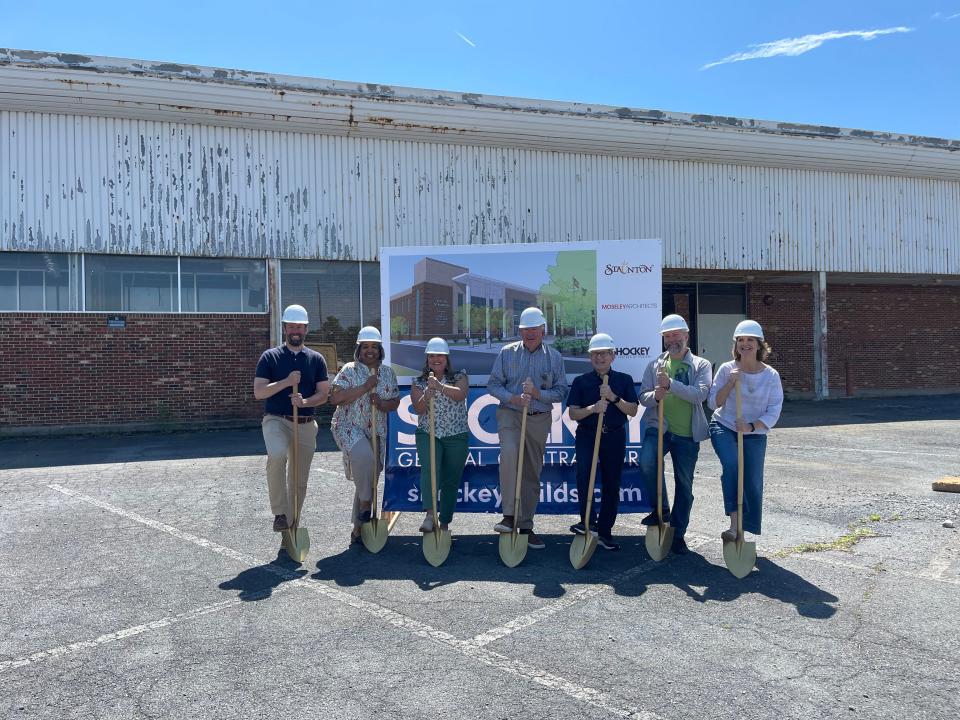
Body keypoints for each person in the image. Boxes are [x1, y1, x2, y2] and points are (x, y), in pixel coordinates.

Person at [487, 306, 568, 550]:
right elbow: (493, 385)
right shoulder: (507, 353)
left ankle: (525, 525)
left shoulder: (554, 357)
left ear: (543, 329)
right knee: (510, 454)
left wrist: (537, 393)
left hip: (538, 417)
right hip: (510, 414)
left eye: (534, 328)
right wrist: (513, 398)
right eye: (525, 329)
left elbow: (561, 391)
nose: (530, 333)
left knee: (532, 470)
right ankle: (509, 516)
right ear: (520, 331)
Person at [638, 314, 713, 555]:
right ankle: (661, 509)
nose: (672, 339)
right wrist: (656, 396)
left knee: (685, 485)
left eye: (675, 334)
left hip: (687, 435)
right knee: (647, 462)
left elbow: (700, 395)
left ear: (686, 335)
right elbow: (644, 397)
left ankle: (678, 533)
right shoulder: (655, 365)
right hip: (658, 428)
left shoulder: (701, 365)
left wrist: (670, 385)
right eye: (667, 336)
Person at [253, 304, 329, 533]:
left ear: (306, 329)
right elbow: (259, 392)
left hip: (305, 424)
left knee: (299, 480)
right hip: (276, 420)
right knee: (276, 455)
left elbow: (324, 394)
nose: (295, 330)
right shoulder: (270, 357)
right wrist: (286, 382)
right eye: (291, 326)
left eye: (299, 326)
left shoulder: (316, 359)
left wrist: (305, 402)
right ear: (285, 328)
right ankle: (279, 513)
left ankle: (291, 524)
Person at [708, 320, 783, 543]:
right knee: (732, 465)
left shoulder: (770, 376)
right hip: (724, 425)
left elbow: (774, 410)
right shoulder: (726, 369)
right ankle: (734, 526)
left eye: (750, 340)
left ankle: (745, 528)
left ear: (759, 344)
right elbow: (713, 403)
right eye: (741, 340)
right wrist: (731, 382)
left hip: (754, 431)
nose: (745, 344)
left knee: (752, 480)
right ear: (736, 345)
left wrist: (751, 426)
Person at [566, 333, 639, 551]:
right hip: (587, 434)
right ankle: (587, 523)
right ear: (590, 357)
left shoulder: (624, 380)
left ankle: (605, 531)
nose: (600, 358)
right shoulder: (581, 382)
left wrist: (614, 398)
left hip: (614, 435)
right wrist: (593, 409)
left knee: (611, 482)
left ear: (612, 356)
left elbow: (633, 410)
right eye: (595, 354)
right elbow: (572, 414)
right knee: (584, 476)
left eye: (604, 354)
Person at [329, 326, 400, 543]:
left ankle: (359, 529)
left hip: (377, 431)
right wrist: (365, 386)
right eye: (365, 346)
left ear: (380, 350)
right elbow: (335, 398)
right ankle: (367, 504)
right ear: (359, 350)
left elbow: (395, 402)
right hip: (348, 426)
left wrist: (381, 403)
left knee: (368, 476)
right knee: (364, 458)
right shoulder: (349, 370)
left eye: (374, 347)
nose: (370, 351)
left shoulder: (388, 373)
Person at [408, 337, 469, 533]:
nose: (436, 359)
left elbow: (461, 395)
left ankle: (444, 523)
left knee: (451, 478)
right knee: (430, 470)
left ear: (446, 358)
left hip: (456, 434)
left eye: (440, 355)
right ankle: (429, 515)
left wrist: (440, 387)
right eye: (432, 355)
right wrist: (427, 394)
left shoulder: (459, 376)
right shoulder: (418, 382)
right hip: (428, 433)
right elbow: (418, 409)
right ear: (427, 359)